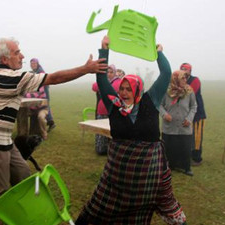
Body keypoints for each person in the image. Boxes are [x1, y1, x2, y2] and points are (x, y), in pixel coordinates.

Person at [0, 37, 107, 225]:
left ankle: (27, 217)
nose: (22, 55)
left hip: (5, 140)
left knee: (24, 177)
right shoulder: (17, 77)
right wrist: (85, 69)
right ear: (5, 59)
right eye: (17, 52)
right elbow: (54, 78)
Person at [75, 36, 187, 225]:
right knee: (96, 211)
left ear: (138, 90)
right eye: (122, 89)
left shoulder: (150, 101)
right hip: (116, 179)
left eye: (129, 89)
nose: (124, 92)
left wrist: (158, 53)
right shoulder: (114, 105)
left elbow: (166, 73)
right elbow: (102, 80)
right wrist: (104, 50)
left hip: (146, 179)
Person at [160, 71, 197, 176]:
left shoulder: (189, 91)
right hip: (169, 126)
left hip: (184, 126)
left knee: (185, 147)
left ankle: (186, 167)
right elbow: (160, 105)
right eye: (182, 78)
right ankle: (169, 166)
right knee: (169, 148)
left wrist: (189, 119)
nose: (185, 80)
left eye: (186, 78)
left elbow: (194, 106)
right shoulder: (166, 91)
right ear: (175, 79)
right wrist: (164, 114)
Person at [180, 63, 206, 166]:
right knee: (187, 136)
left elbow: (190, 93)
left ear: (190, 71)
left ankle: (196, 158)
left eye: (186, 69)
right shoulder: (179, 80)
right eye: (182, 69)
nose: (184, 71)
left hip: (197, 113)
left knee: (196, 137)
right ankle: (186, 156)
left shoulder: (195, 80)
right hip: (185, 113)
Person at [91, 64, 121, 155]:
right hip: (101, 110)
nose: (109, 74)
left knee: (112, 131)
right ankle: (101, 149)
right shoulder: (103, 81)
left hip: (113, 111)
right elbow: (94, 87)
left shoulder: (118, 81)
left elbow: (114, 88)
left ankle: (113, 149)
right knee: (101, 131)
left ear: (115, 73)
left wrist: (104, 84)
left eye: (111, 72)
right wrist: (103, 83)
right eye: (107, 72)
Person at [30, 58, 56, 131]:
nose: (33, 65)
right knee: (45, 104)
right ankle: (50, 121)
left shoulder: (40, 71)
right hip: (40, 89)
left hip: (44, 89)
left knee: (45, 104)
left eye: (34, 63)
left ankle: (51, 122)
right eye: (31, 64)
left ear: (37, 64)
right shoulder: (35, 71)